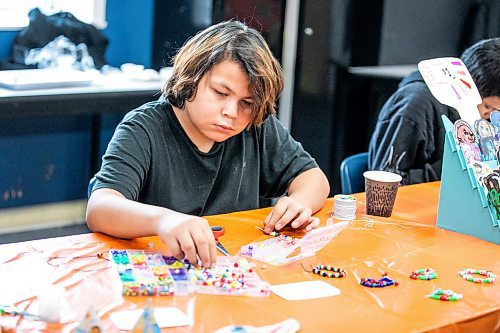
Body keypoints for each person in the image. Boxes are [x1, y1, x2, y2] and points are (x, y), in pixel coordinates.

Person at [86, 21, 330, 268]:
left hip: (235, 268)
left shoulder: (256, 126)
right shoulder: (143, 128)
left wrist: (299, 202)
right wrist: (165, 221)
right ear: (190, 78)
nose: (231, 112)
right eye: (220, 93)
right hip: (162, 270)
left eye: (247, 102)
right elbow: (100, 207)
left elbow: (313, 178)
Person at [368, 37, 500, 185]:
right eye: (488, 109)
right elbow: (384, 184)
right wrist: (458, 167)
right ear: (470, 84)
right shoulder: (415, 105)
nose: (485, 119)